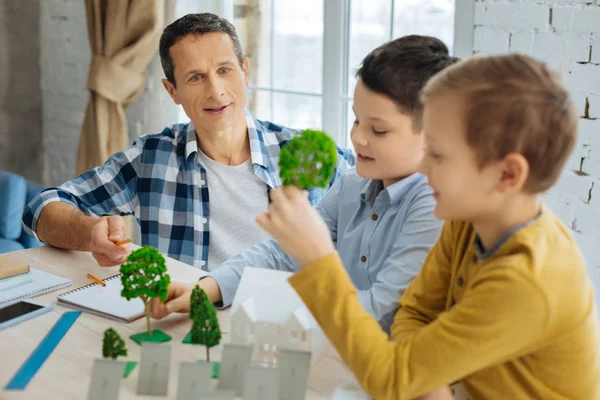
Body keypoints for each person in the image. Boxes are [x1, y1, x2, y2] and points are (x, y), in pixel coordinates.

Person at [258, 54, 600, 399]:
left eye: (437, 155)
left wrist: (318, 261)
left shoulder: (527, 282)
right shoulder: (466, 222)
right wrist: (417, 375)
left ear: (508, 175)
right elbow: (415, 311)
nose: (422, 169)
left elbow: (393, 378)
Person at [151, 36, 459, 334]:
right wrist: (205, 288)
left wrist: (314, 256)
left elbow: (382, 316)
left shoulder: (434, 207)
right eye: (356, 121)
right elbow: (280, 253)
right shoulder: (353, 184)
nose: (357, 138)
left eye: (378, 130)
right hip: (341, 351)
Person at [21, 13, 354, 270]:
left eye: (225, 70)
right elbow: (41, 209)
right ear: (172, 91)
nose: (215, 91)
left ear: (245, 71)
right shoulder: (151, 158)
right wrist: (88, 232)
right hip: (184, 328)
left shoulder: (305, 153)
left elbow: (390, 199)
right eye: (196, 77)